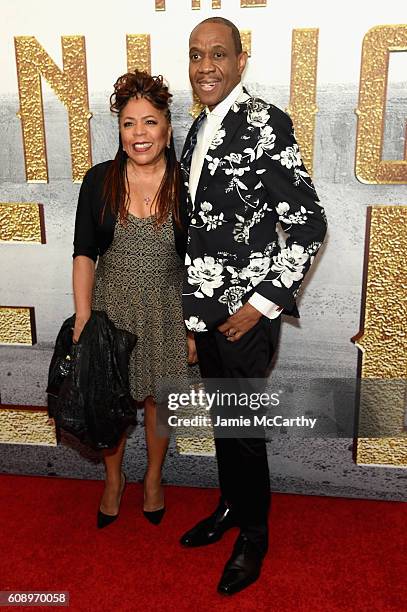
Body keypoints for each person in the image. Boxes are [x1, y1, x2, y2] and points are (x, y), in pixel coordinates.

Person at [179, 17, 327, 595]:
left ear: (242, 60)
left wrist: (262, 304)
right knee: (224, 422)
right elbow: (195, 231)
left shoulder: (265, 122)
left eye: (218, 54)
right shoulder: (198, 128)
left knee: (242, 428)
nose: (205, 66)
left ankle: (255, 534)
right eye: (196, 55)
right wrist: (194, 315)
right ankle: (231, 508)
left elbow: (309, 223)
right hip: (207, 313)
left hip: (245, 318)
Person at [72, 70, 196, 529]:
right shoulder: (99, 180)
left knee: (159, 402)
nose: (139, 134)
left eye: (149, 122)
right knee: (112, 402)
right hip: (112, 309)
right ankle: (113, 479)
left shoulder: (187, 185)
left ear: (167, 127)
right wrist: (85, 317)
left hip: (168, 308)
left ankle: (154, 478)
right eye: (128, 123)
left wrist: (193, 327)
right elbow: (84, 252)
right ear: (119, 129)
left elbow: (197, 264)